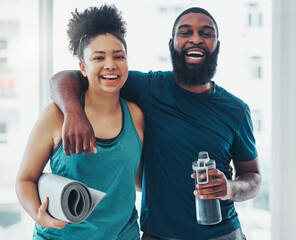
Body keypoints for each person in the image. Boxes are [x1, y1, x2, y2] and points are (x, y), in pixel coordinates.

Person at [50, 7, 261, 240]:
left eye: (206, 33)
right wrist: (73, 112)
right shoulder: (148, 88)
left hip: (223, 233)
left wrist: (230, 188)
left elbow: (253, 177)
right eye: (185, 32)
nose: (195, 39)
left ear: (216, 46)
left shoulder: (236, 110)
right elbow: (66, 78)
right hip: (158, 235)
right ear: (172, 44)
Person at [15, 4, 144, 240]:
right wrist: (37, 214)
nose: (111, 64)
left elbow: (137, 181)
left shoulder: (136, 116)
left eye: (119, 56)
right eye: (98, 57)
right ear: (83, 67)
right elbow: (25, 180)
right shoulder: (55, 116)